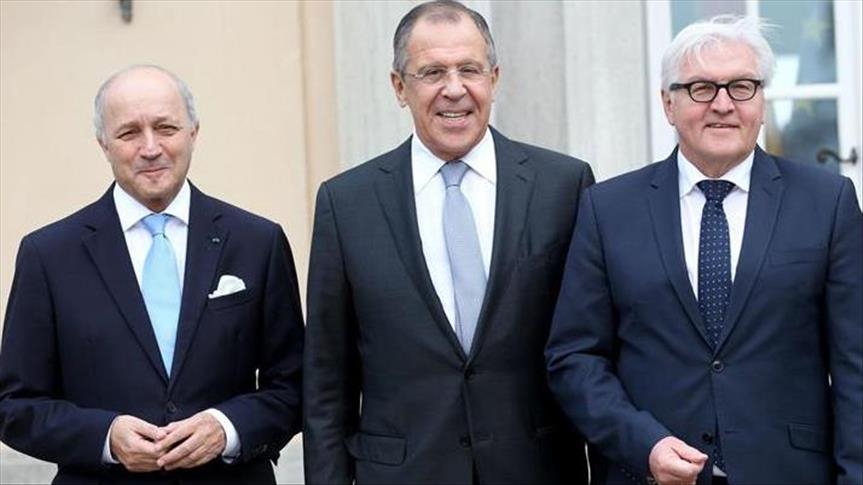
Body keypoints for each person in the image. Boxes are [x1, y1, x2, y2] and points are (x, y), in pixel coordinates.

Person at [546, 15, 862, 485]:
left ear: (761, 101)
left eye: (742, 87)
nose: (723, 104)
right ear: (668, 104)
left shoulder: (827, 202)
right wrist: (643, 444)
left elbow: (856, 364)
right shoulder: (607, 209)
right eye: (701, 88)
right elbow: (575, 358)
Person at [303, 1, 593, 483]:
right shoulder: (347, 203)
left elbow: (593, 350)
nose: (454, 89)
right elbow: (327, 381)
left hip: (536, 469)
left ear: (494, 79)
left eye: (469, 70)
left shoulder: (563, 186)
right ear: (399, 87)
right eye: (432, 72)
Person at [0, 65, 304, 484]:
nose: (150, 148)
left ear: (193, 132)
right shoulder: (49, 255)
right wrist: (105, 437)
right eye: (129, 133)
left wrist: (226, 428)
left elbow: (296, 385)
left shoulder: (257, 242)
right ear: (103, 144)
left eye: (166, 128)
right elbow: (15, 405)